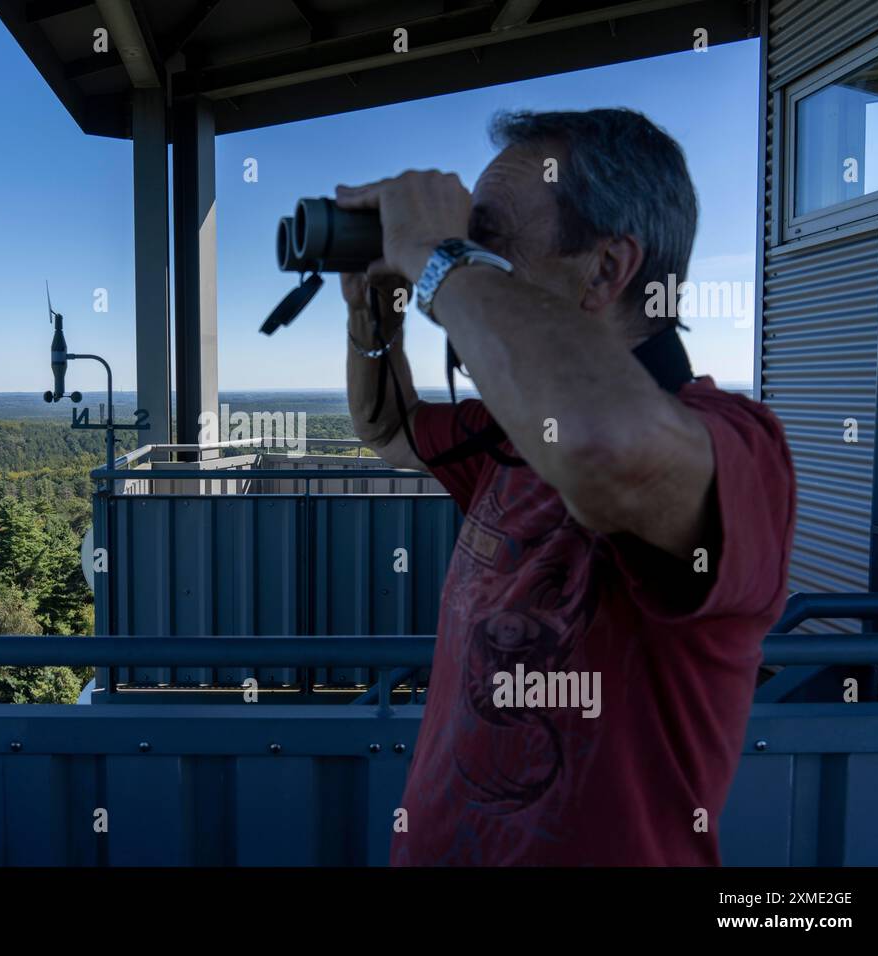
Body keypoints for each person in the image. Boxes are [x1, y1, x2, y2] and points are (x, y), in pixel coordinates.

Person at [340, 108, 795, 865]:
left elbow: (605, 445)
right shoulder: (512, 436)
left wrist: (435, 255)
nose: (465, 261)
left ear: (607, 270)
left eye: (487, 238)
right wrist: (374, 313)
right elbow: (388, 430)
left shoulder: (740, 450)